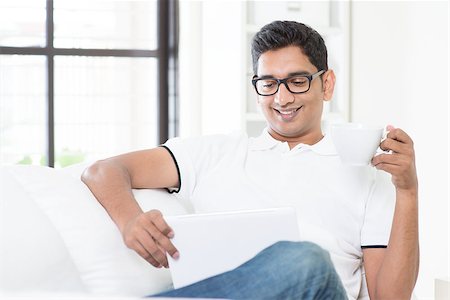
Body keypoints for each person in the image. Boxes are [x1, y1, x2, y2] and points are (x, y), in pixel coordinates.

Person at [81, 21, 419, 300]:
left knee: (305, 259)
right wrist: (130, 220)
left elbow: (390, 298)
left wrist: (408, 191)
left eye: (297, 82)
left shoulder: (367, 175)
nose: (282, 98)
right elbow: (104, 171)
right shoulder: (214, 153)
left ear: (326, 84)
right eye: (268, 84)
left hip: (316, 288)